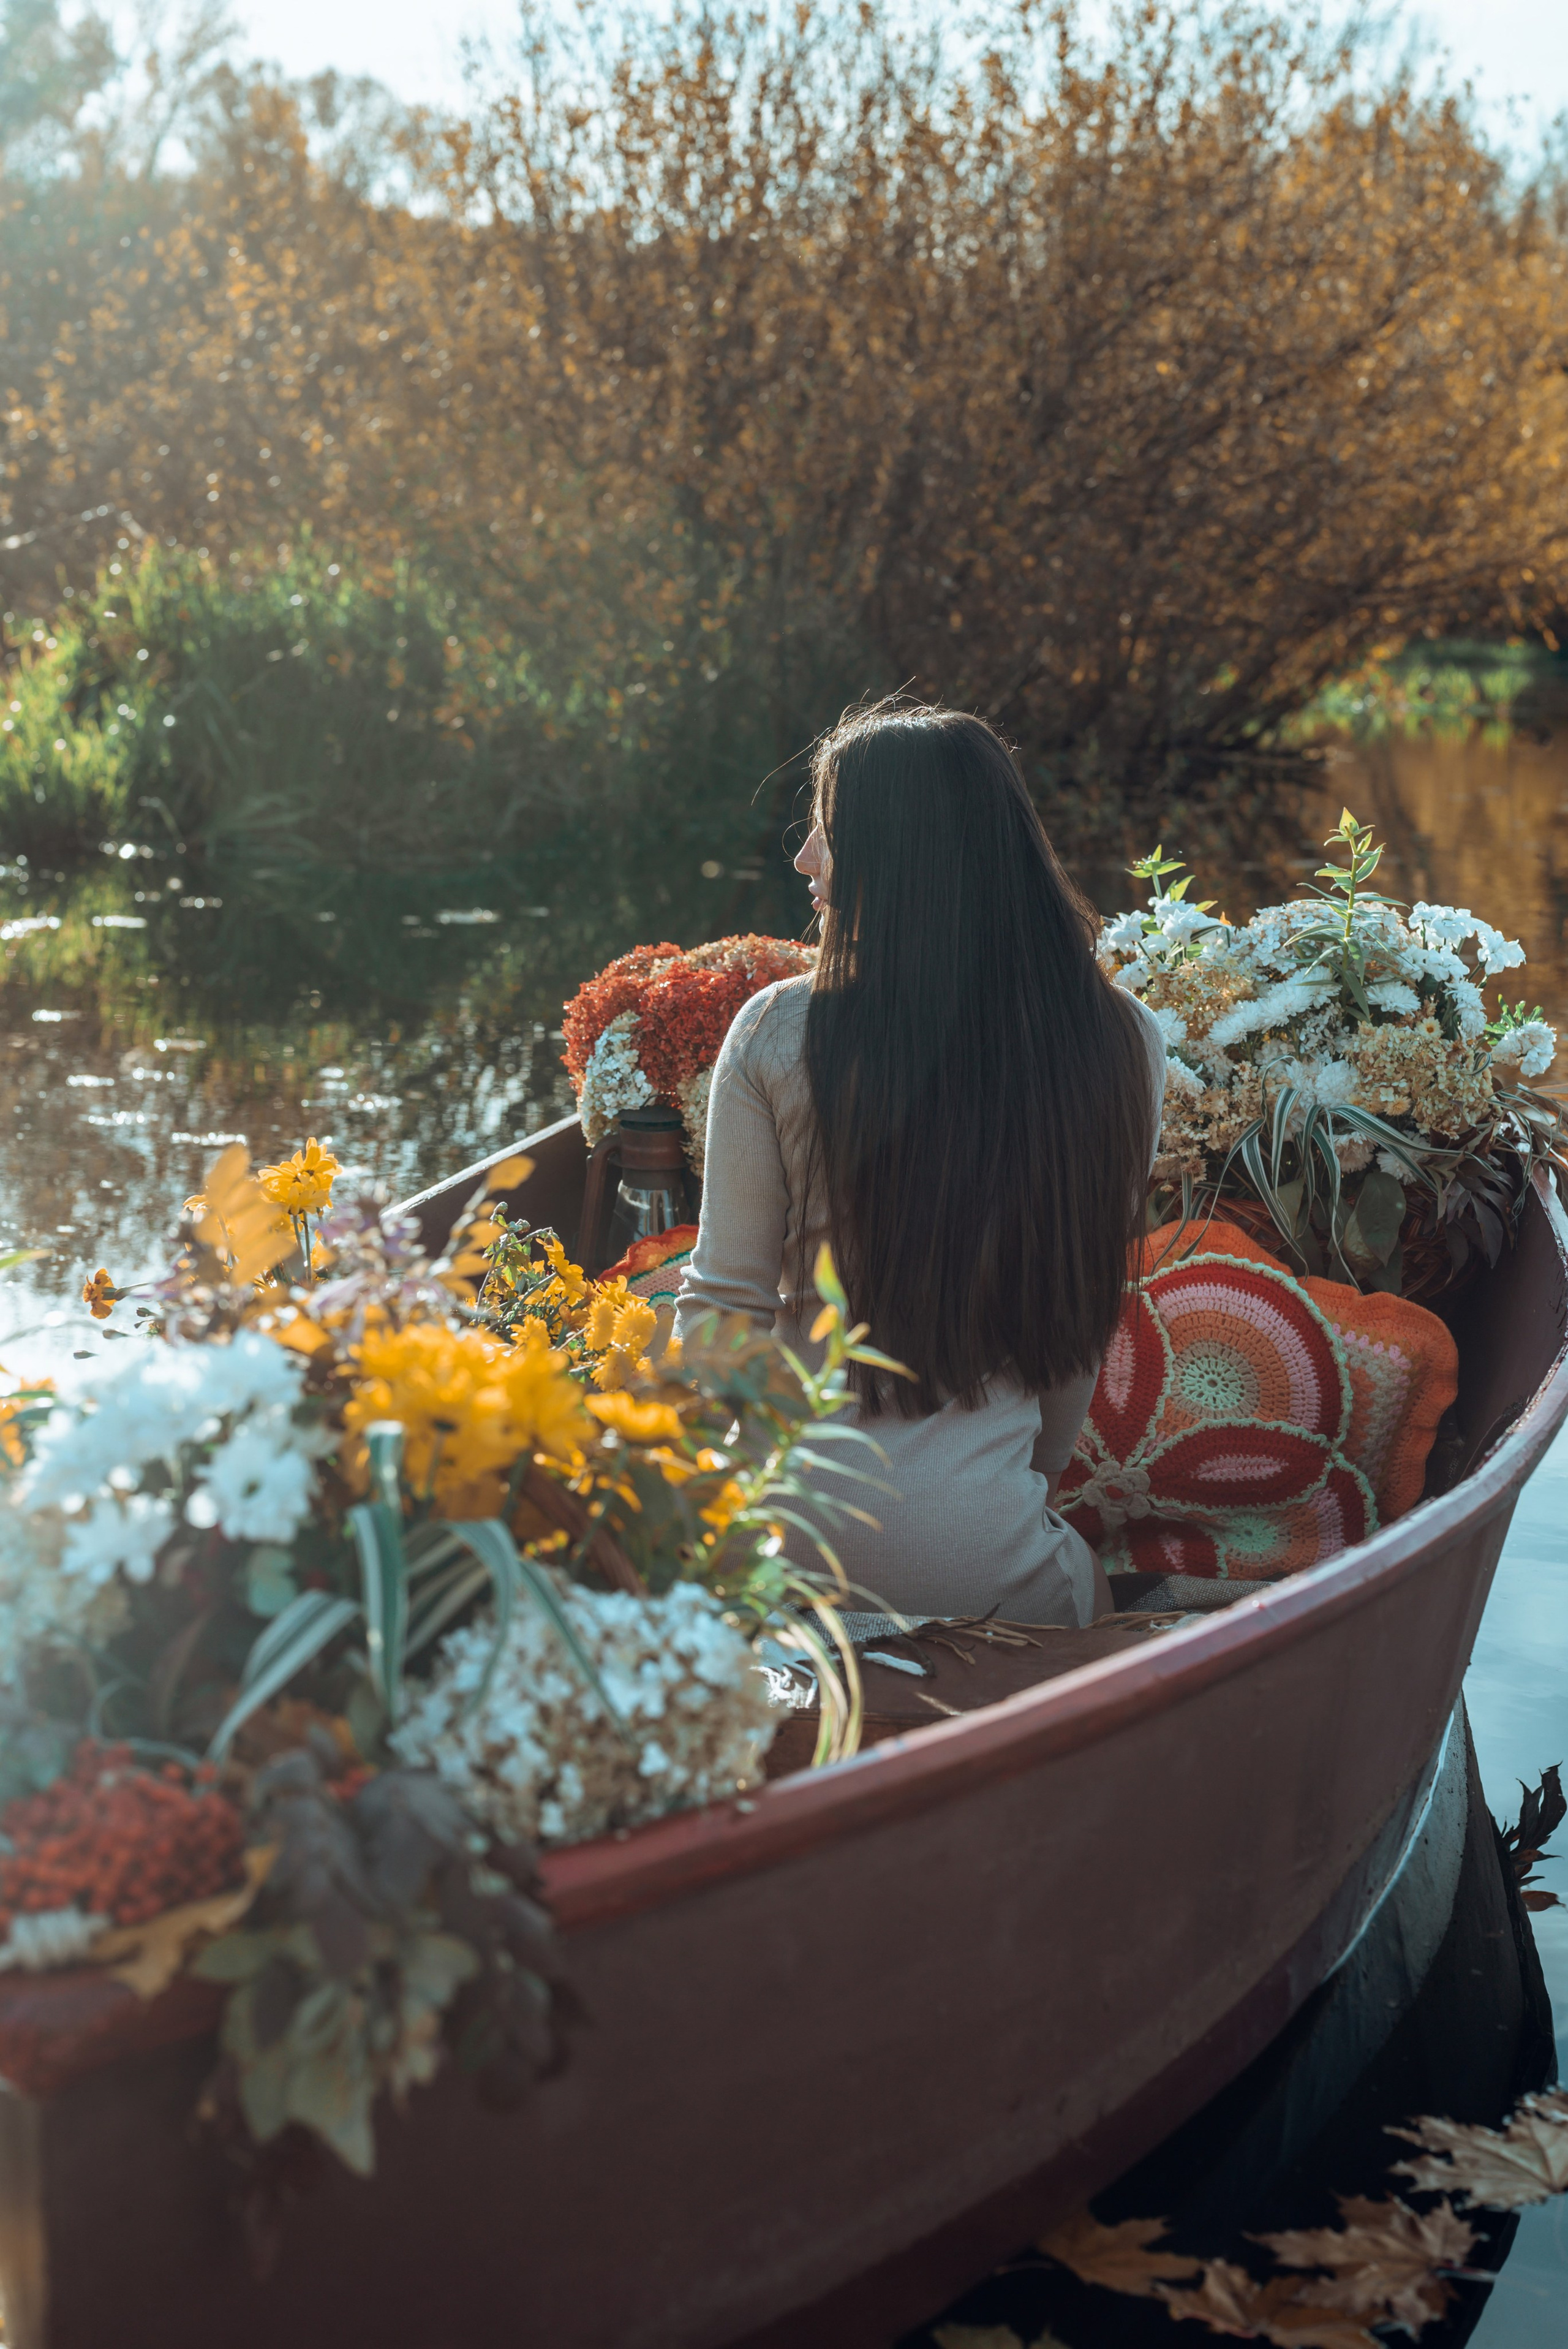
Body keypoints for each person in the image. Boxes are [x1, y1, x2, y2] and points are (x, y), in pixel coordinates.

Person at [673, 702, 1166, 1627]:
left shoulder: (777, 1032)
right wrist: (1015, 1495)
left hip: (791, 1555)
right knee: (1091, 1592)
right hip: (994, 1564)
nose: (805, 857)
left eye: (830, 826)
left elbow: (721, 1318)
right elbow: (1073, 1331)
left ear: (900, 859)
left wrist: (712, 1537)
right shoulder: (1125, 1041)